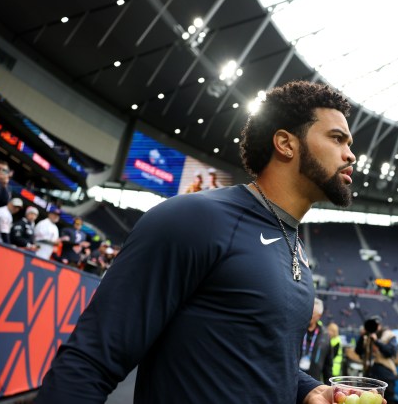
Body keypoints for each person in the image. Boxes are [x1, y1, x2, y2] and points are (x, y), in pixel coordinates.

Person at [35, 81, 358, 404]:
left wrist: (306, 389)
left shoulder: (296, 247)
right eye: (337, 138)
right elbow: (89, 363)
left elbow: (260, 358)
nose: (350, 154)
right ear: (286, 143)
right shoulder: (195, 219)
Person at [355, 315, 398, 404]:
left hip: (386, 375)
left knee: (388, 400)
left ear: (380, 325)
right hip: (370, 375)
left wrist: (376, 341)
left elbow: (390, 352)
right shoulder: (367, 337)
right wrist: (363, 335)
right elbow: (358, 351)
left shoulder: (389, 335)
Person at [301, 298, 333, 383]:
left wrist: (328, 385)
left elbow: (328, 365)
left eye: (312, 314)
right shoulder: (297, 329)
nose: (309, 316)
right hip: (294, 380)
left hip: (314, 382)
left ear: (319, 315)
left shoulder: (325, 335)